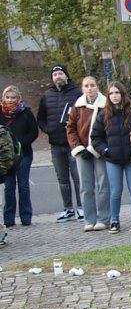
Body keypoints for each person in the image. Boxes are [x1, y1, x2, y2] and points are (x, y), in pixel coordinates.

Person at [90, 81, 131, 234]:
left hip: (130, 158)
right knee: (115, 191)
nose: (114, 96)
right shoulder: (103, 114)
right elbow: (95, 137)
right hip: (113, 159)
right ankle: (114, 220)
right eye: (111, 93)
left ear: (122, 94)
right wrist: (105, 150)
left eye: (117, 93)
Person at [37, 64, 84, 221]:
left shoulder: (77, 93)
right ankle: (67, 208)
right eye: (55, 74)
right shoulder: (47, 95)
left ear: (66, 76)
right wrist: (48, 129)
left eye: (60, 74)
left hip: (73, 144)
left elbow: (84, 116)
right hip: (56, 145)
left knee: (78, 177)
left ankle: (81, 207)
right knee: (62, 178)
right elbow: (41, 118)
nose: (58, 77)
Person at [66, 76, 110, 232]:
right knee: (85, 186)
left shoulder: (105, 105)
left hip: (99, 151)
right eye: (86, 86)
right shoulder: (77, 107)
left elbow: (108, 128)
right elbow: (70, 129)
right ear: (82, 88)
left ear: (97, 87)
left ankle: (104, 218)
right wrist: (78, 147)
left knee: (103, 184)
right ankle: (89, 219)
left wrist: (95, 148)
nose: (90, 88)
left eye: (92, 85)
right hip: (81, 151)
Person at [2, 86, 39, 227]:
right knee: (9, 187)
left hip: (24, 153)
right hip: (7, 156)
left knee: (23, 186)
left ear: (18, 99)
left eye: (13, 97)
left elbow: (33, 132)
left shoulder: (26, 112)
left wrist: (21, 143)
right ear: (3, 98)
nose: (10, 100)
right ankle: (8, 218)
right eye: (8, 97)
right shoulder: (1, 113)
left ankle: (26, 216)